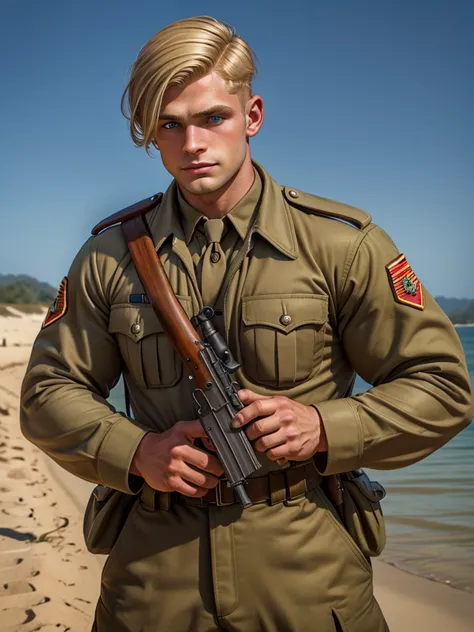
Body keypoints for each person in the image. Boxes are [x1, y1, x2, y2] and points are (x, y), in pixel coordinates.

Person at [21, 15, 472, 632]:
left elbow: (443, 387)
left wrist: (322, 426)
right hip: (152, 581)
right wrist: (139, 451)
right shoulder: (108, 256)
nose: (193, 144)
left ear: (252, 115)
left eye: (213, 118)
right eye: (170, 125)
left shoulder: (341, 246)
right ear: (153, 135)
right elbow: (47, 394)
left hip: (308, 577)